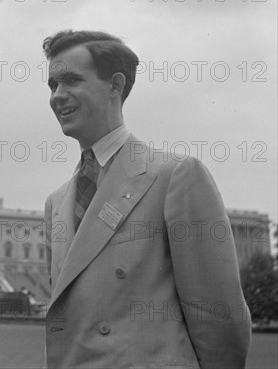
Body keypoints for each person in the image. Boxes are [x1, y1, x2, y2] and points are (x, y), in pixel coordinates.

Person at [42, 30, 251, 369]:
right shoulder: (56, 202)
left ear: (116, 85)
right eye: (52, 85)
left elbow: (218, 315)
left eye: (71, 81)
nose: (58, 96)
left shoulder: (176, 176)